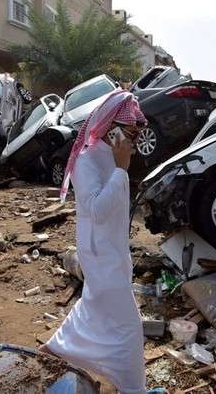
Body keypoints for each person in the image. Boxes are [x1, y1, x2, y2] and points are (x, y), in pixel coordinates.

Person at [41, 90, 150, 394]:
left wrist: (119, 167)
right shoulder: (87, 160)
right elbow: (98, 212)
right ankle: (133, 388)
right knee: (129, 327)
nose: (135, 136)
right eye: (130, 130)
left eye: (137, 130)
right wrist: (121, 169)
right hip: (100, 255)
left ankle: (51, 352)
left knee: (92, 310)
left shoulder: (110, 157)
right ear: (110, 128)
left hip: (112, 253)